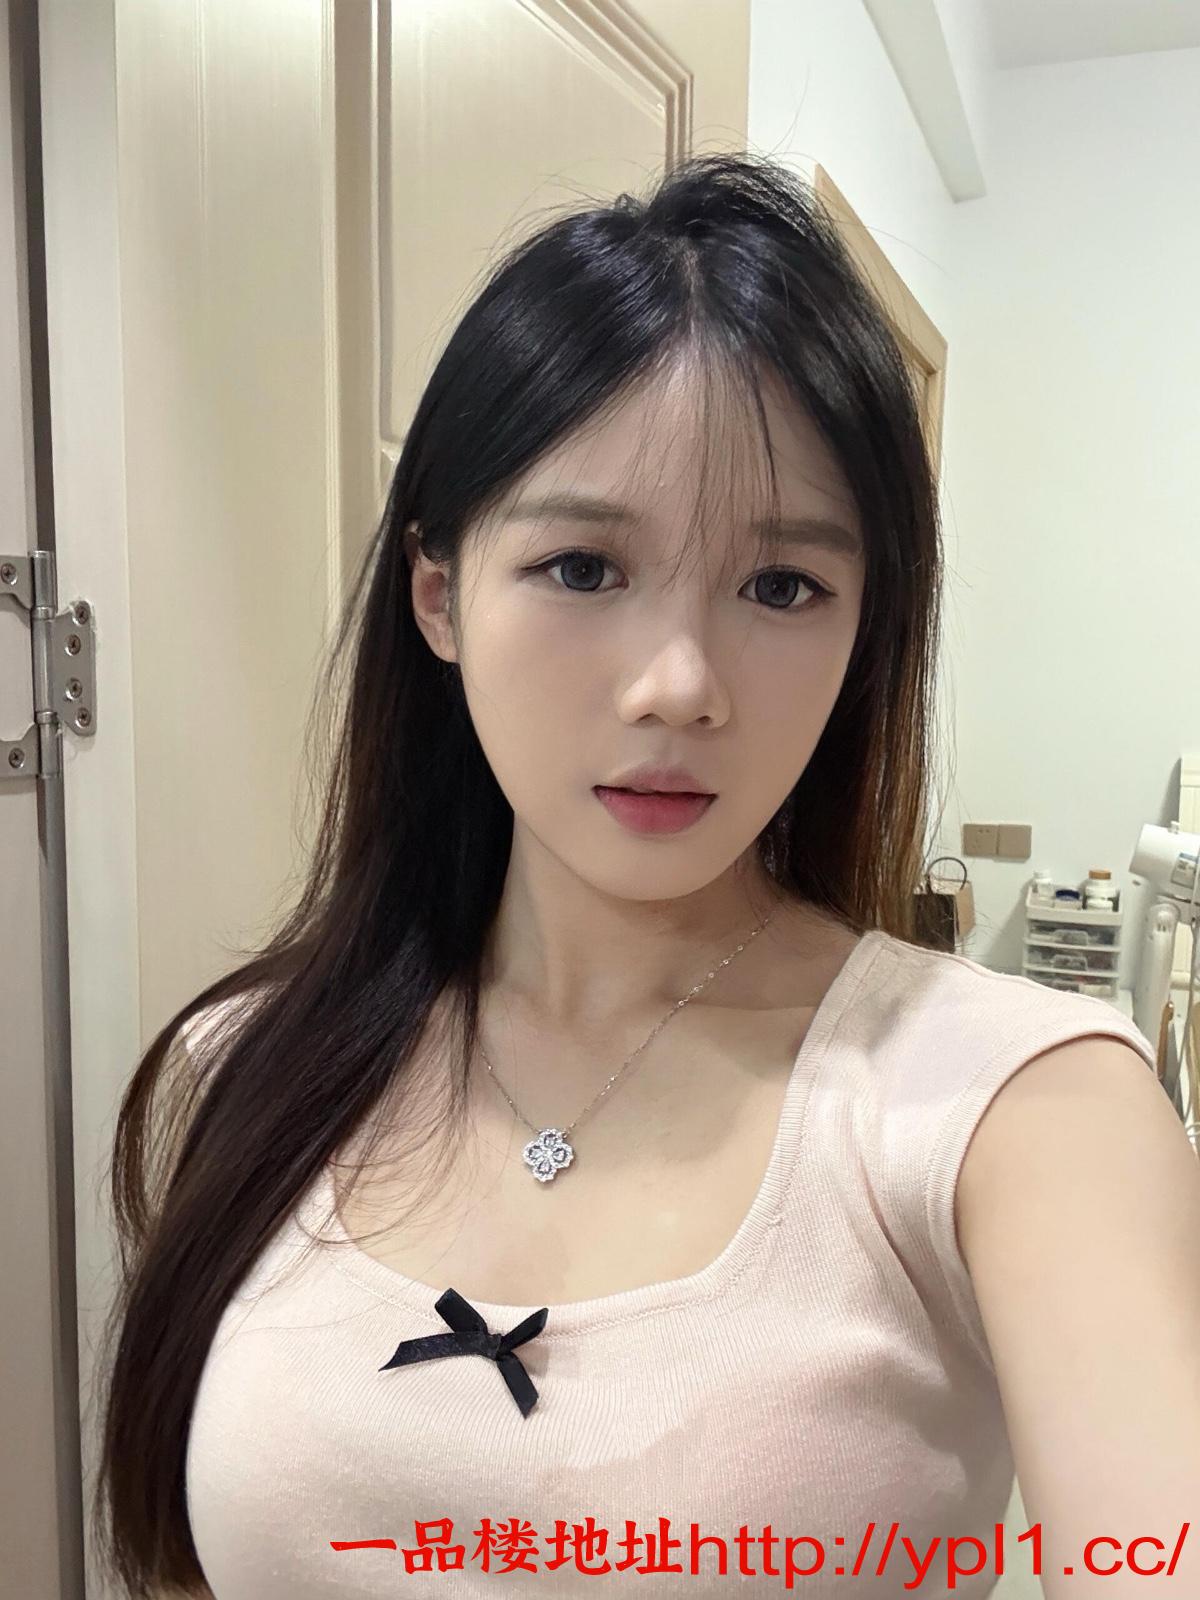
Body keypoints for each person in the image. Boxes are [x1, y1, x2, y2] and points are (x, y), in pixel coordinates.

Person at [93, 151, 1200, 1599]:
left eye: (783, 587)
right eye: (583, 568)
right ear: (439, 593)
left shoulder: (1014, 1111)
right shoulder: (249, 1065)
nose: (680, 685)